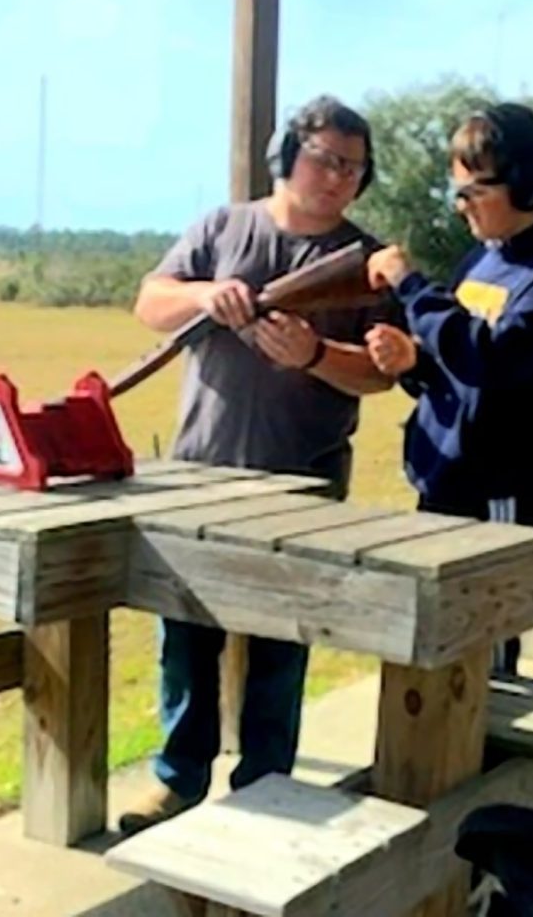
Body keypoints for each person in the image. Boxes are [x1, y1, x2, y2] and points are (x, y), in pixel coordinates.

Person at [118, 95, 401, 836]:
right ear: (287, 156)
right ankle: (177, 781)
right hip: (200, 475)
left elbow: (380, 372)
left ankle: (265, 789)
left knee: (282, 649)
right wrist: (208, 294)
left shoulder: (363, 263)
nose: (339, 177)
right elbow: (151, 301)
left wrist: (314, 354)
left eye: (353, 166)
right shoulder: (220, 227)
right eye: (326, 159)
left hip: (303, 484)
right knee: (185, 642)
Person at [365, 102, 533, 675]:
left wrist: (410, 284)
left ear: (521, 183)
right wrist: (413, 363)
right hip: (444, 478)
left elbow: (493, 359)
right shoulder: (482, 259)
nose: (461, 206)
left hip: (501, 484)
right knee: (435, 645)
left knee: (484, 654)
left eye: (472, 191)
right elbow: (458, 363)